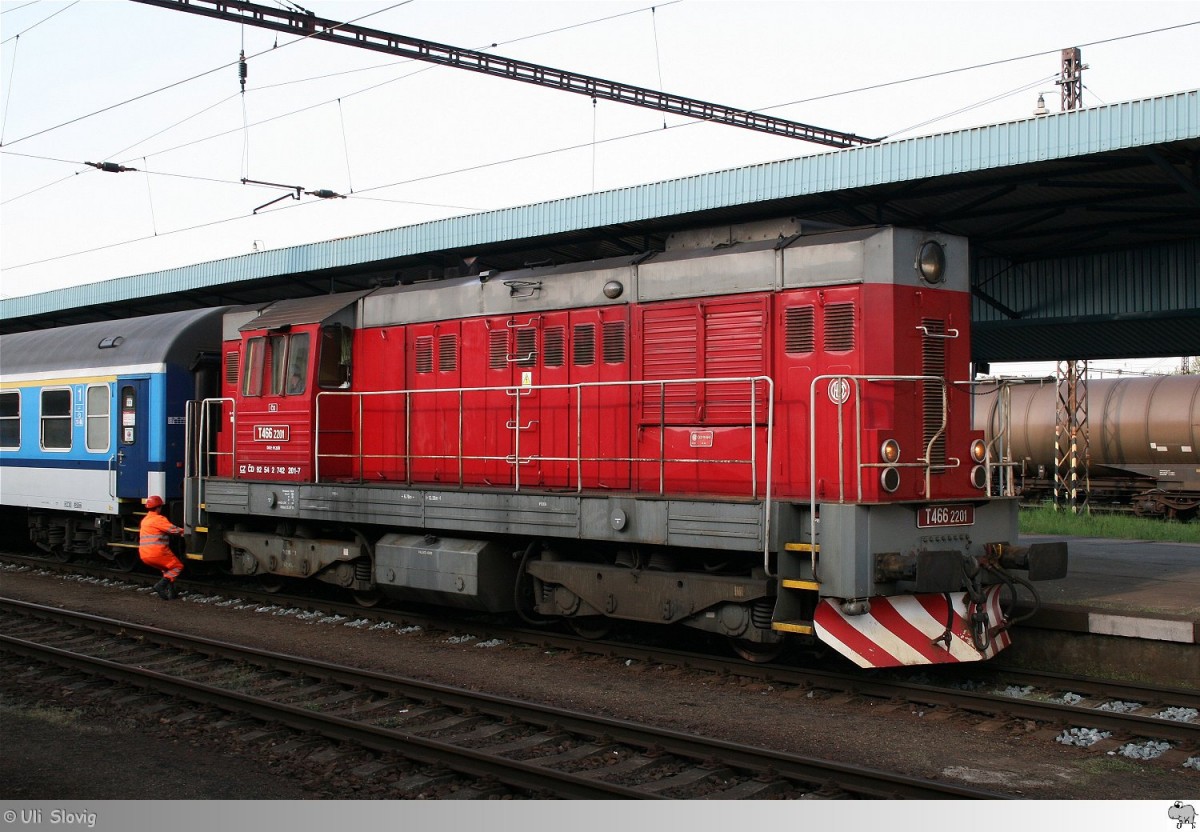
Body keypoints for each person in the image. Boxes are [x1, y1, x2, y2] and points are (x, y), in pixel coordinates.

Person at [139, 495, 185, 600]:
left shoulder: (145, 520)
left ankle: (172, 593)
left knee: (167, 569)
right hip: (157, 553)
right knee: (177, 566)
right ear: (159, 507)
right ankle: (160, 586)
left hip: (144, 555)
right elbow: (172, 529)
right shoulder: (158, 519)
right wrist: (185, 531)